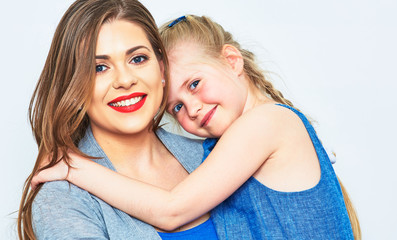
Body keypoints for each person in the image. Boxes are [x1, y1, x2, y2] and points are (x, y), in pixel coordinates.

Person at [32, 14, 361, 239]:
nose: (193, 108)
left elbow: (172, 209)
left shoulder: (266, 123)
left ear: (232, 61)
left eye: (195, 84)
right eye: (176, 107)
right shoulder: (64, 202)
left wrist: (77, 169)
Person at [18, 1, 222, 240]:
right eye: (99, 68)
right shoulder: (62, 197)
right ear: (73, 87)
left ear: (162, 69)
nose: (124, 80)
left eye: (137, 59)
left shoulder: (217, 154)